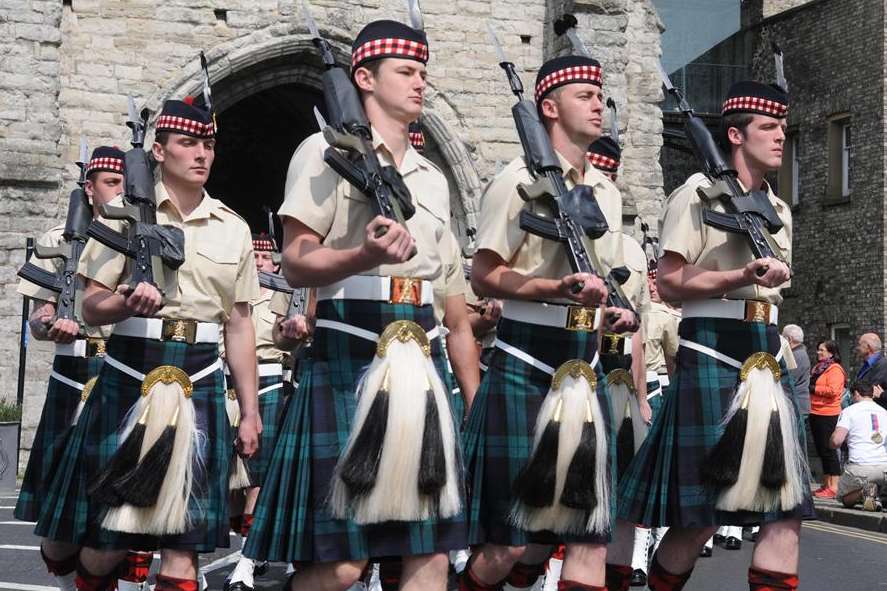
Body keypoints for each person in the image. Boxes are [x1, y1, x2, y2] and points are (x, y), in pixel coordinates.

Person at [243, 18, 466, 591]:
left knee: (429, 554)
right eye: (407, 71)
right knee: (342, 564)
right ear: (363, 76)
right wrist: (361, 257)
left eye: (424, 72)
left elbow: (450, 298)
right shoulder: (322, 151)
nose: (421, 83)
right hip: (351, 347)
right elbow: (296, 259)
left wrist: (469, 384)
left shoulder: (433, 178)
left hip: (421, 350)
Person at [33, 97, 261, 591]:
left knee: (184, 550)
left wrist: (248, 410)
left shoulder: (234, 227)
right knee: (102, 543)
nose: (201, 154)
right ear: (158, 151)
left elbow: (239, 324)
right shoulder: (121, 214)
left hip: (199, 377)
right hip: (130, 371)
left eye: (208, 144)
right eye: (187, 143)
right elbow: (91, 305)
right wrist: (124, 305)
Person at [617, 79, 813, 591]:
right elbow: (673, 283)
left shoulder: (779, 208)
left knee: (784, 509)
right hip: (712, 351)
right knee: (700, 513)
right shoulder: (695, 195)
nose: (779, 138)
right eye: (768, 128)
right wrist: (740, 276)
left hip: (765, 357)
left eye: (782, 128)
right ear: (734, 134)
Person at [461, 53, 635, 591]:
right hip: (525, 360)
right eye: (584, 95)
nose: (598, 105)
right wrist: (551, 288)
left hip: (585, 363)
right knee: (509, 539)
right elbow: (484, 275)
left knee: (590, 531)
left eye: (599, 95)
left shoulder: (606, 191)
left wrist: (615, 310)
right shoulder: (514, 181)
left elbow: (602, 276)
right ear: (550, 107)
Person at [14, 147, 125, 591]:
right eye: (110, 183)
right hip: (73, 376)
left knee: (123, 507)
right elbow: (38, 319)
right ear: (90, 187)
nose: (119, 192)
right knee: (62, 523)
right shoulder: (59, 239)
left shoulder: (145, 233)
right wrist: (48, 325)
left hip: (129, 375)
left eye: (124, 183)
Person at [224, 232, 295, 591]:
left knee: (257, 477)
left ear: (274, 262)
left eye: (264, 259)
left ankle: (247, 562)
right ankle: (250, 545)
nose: (258, 264)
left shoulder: (280, 293)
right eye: (253, 258)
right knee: (231, 484)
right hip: (228, 387)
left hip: (267, 382)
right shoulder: (236, 294)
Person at [830, 382, 887, 511]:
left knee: (844, 498)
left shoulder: (849, 411)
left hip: (860, 468)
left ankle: (864, 492)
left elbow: (836, 441)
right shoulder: (884, 412)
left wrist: (832, 440)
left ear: (856, 394)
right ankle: (875, 496)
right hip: (884, 468)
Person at [810, 340, 846, 499]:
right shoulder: (819, 368)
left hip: (828, 414)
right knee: (821, 451)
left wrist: (813, 389)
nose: (818, 352)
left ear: (831, 353)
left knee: (829, 450)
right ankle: (826, 484)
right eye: (818, 350)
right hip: (815, 411)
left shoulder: (835, 369)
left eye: (822, 350)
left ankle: (834, 486)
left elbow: (833, 390)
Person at [782, 325, 810, 418]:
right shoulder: (798, 353)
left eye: (783, 337)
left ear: (789, 339)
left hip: (796, 406)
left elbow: (787, 379)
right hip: (796, 405)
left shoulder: (797, 355)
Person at [855, 333, 887, 411]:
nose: (857, 348)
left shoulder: (883, 365)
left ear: (868, 347)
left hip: (876, 415)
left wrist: (882, 394)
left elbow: (870, 389)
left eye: (860, 345)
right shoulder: (867, 364)